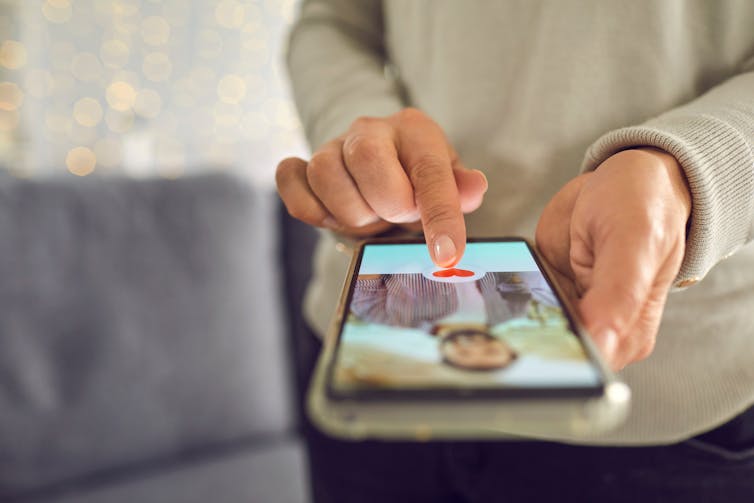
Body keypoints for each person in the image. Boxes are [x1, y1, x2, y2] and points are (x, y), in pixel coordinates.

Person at [276, 1, 754, 501]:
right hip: (371, 350)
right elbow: (331, 23)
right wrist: (363, 139)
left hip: (673, 408)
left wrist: (687, 176)